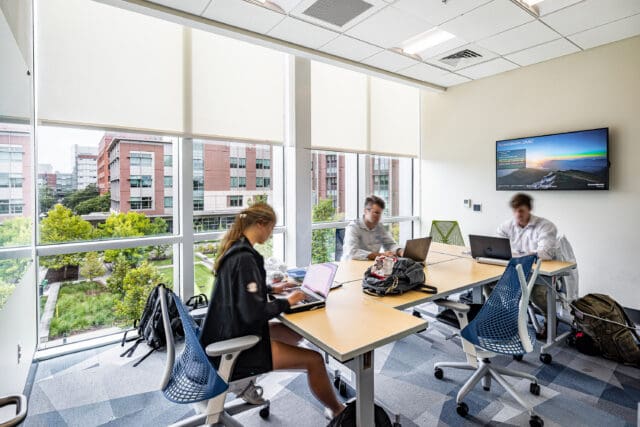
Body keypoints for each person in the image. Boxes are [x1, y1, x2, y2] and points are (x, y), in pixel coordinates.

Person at [200, 203, 345, 418]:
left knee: (293, 333)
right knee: (314, 360)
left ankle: (256, 378)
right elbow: (253, 313)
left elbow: (242, 292)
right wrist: (288, 301)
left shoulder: (236, 249)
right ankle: (338, 410)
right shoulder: (247, 258)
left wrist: (270, 289)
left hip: (224, 333)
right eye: (270, 227)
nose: (270, 233)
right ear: (260, 224)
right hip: (233, 350)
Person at [497, 193, 558, 339]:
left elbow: (544, 253)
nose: (518, 214)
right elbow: (498, 245)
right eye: (515, 210)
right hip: (515, 270)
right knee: (489, 284)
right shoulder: (507, 226)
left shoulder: (545, 226)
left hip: (540, 273)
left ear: (529, 209)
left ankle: (551, 319)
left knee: (536, 293)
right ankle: (506, 317)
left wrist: (518, 255)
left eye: (522, 210)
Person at [341, 195, 403, 261]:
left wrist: (400, 251)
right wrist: (381, 255)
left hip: (371, 266)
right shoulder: (353, 227)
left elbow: (389, 244)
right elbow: (352, 253)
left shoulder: (379, 227)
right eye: (376, 213)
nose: (378, 217)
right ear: (366, 211)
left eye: (380, 213)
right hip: (351, 266)